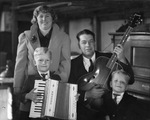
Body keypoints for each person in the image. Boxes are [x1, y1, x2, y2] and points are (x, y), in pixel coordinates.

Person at [68, 29, 134, 120]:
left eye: (91, 41)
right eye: (84, 42)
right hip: (82, 112)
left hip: (109, 111)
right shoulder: (72, 64)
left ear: (94, 42)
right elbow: (69, 90)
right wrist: (87, 94)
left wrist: (122, 58)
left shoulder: (109, 58)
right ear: (78, 45)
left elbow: (130, 79)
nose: (88, 45)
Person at [14, 5, 71, 94]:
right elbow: (20, 63)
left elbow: (65, 62)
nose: (44, 19)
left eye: (47, 16)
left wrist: (60, 81)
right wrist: (17, 87)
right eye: (41, 16)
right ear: (36, 19)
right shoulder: (25, 36)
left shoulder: (64, 37)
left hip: (55, 84)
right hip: (29, 86)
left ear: (52, 18)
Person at [19, 47, 61, 120]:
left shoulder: (56, 78)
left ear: (51, 61)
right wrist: (28, 96)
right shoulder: (30, 79)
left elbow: (62, 95)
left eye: (47, 60)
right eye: (40, 60)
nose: (44, 63)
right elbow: (20, 96)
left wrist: (72, 97)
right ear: (35, 62)